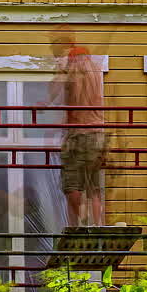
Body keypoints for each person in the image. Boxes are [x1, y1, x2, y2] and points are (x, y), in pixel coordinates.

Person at [50, 26, 106, 226]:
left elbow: (53, 94)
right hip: (98, 134)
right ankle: (97, 226)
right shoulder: (95, 74)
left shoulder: (71, 72)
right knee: (94, 187)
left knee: (73, 184)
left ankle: (79, 226)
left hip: (78, 135)